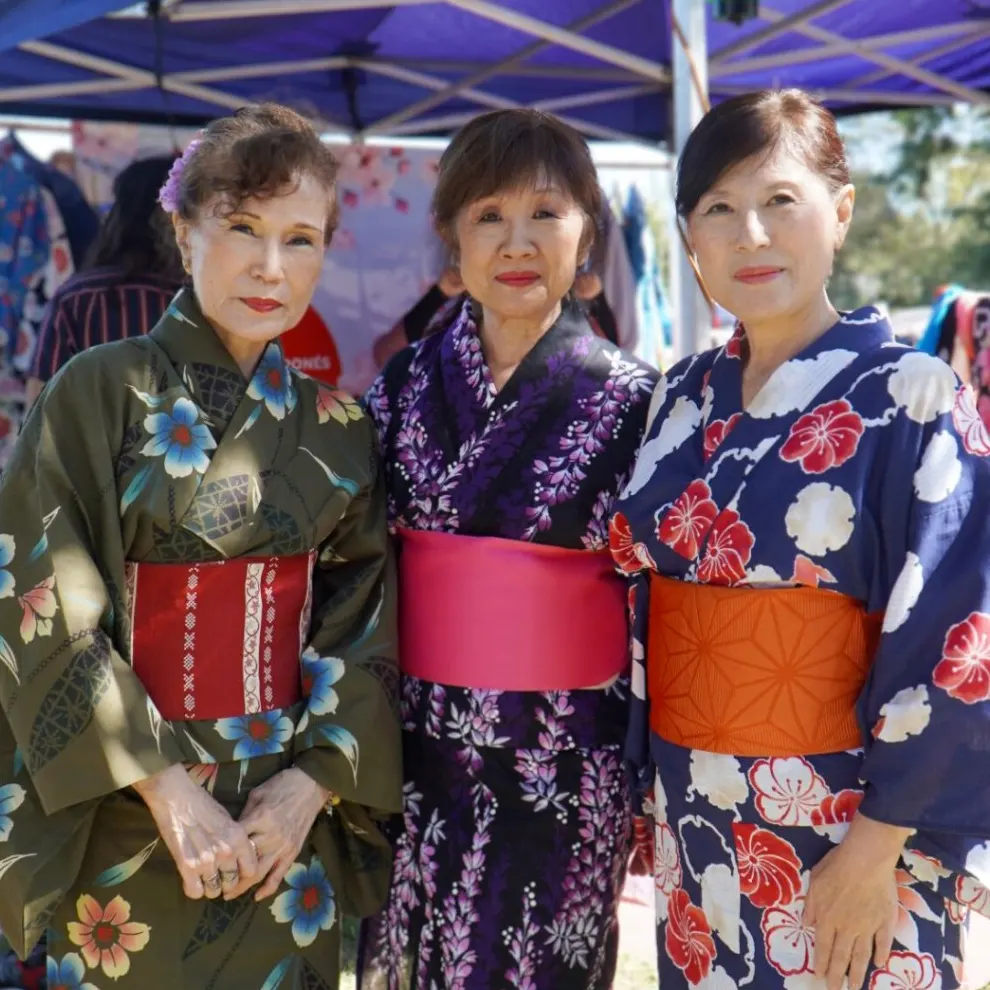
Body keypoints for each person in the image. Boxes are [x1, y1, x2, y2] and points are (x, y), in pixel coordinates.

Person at [0, 103, 401, 989]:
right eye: (243, 228)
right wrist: (165, 787)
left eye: (301, 240)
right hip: (125, 799)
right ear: (184, 233)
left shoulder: (338, 427)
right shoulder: (97, 391)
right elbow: (40, 593)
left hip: (280, 820)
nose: (270, 266)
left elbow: (362, 618)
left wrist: (310, 786)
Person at [611, 88, 990, 990]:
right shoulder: (679, 395)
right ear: (689, 237)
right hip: (695, 809)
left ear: (842, 211)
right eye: (718, 208)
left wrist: (877, 845)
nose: (750, 235)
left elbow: (965, 631)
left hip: (847, 824)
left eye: (780, 200)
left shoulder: (915, 396)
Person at [358, 108, 659, 990]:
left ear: (587, 235)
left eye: (545, 213)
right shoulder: (405, 384)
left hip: (566, 755)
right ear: (451, 235)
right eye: (489, 215)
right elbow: (358, 561)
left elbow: (662, 599)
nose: (517, 242)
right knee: (409, 960)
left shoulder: (637, 401)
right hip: (416, 747)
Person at [26, 155, 184, 407]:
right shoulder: (202, 300)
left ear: (118, 215)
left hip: (84, 432)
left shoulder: (75, 298)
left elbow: (40, 398)